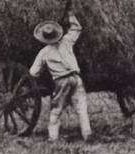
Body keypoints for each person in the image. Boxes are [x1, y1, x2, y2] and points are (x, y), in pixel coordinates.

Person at [29, 14, 91, 142]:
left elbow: (33, 72)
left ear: (43, 39)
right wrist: (71, 15)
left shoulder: (44, 52)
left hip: (61, 81)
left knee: (56, 110)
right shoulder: (67, 41)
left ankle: (53, 138)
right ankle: (87, 134)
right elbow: (77, 28)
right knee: (81, 108)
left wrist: (44, 71)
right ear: (57, 34)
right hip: (75, 78)